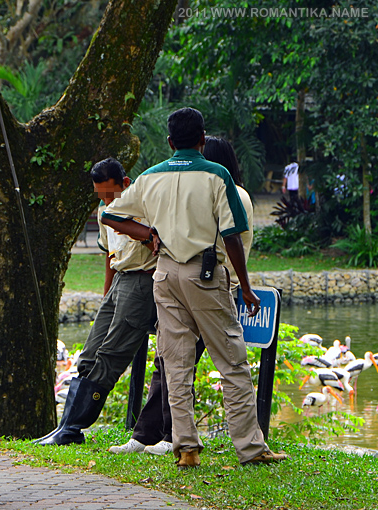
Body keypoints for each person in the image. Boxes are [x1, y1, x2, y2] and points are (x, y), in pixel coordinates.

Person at [101, 108, 287, 467]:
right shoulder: (217, 175)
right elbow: (232, 235)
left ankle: (186, 448)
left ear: (170, 142)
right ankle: (251, 448)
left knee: (176, 362)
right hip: (204, 275)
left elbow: (110, 214)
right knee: (231, 361)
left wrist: (147, 234)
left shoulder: (151, 176)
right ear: (202, 138)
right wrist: (245, 287)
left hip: (165, 275)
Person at [109, 136, 254, 456]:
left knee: (187, 362)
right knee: (171, 360)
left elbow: (234, 241)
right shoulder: (203, 187)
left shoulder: (227, 192)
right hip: (192, 280)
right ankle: (154, 435)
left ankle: (166, 436)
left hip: (208, 281)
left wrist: (239, 284)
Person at [36, 157, 157, 446]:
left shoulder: (142, 203)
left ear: (125, 184)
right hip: (119, 281)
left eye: (110, 193)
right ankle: (66, 427)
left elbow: (158, 242)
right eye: (100, 195)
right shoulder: (105, 209)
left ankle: (75, 426)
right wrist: (107, 294)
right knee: (89, 355)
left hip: (142, 280)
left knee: (111, 354)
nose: (105, 200)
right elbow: (109, 255)